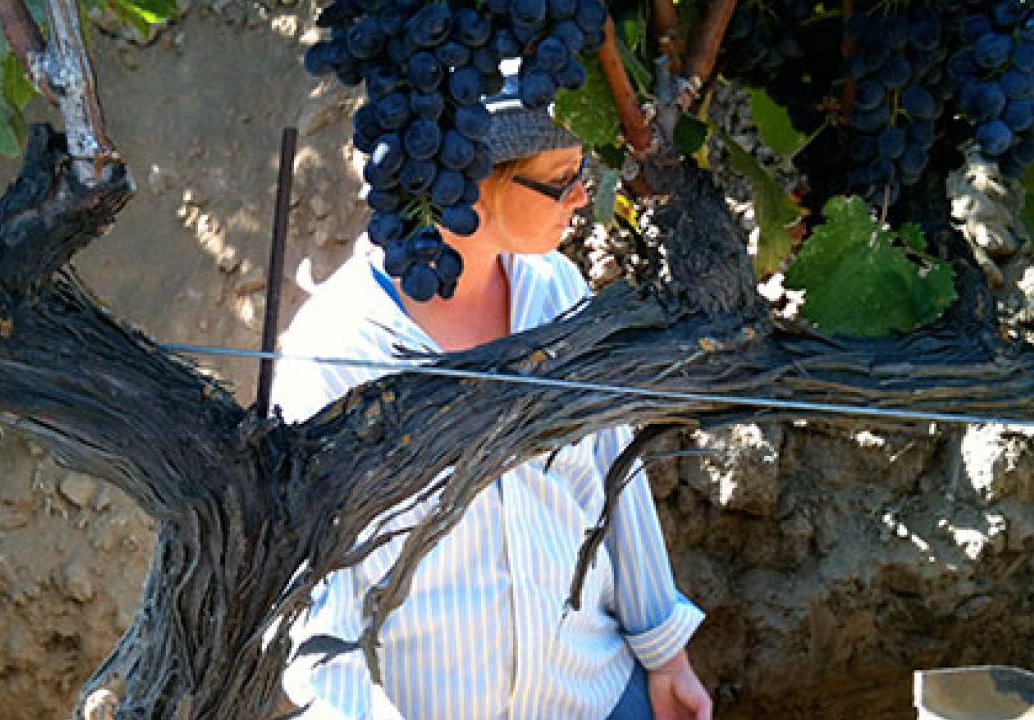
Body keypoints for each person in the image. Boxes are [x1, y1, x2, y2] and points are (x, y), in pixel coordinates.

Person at [273, 75, 712, 720]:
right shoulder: (338, 351)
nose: (583, 195)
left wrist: (666, 657)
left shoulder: (558, 292)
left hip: (599, 697)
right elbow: (315, 589)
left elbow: (617, 485)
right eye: (562, 178)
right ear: (473, 186)